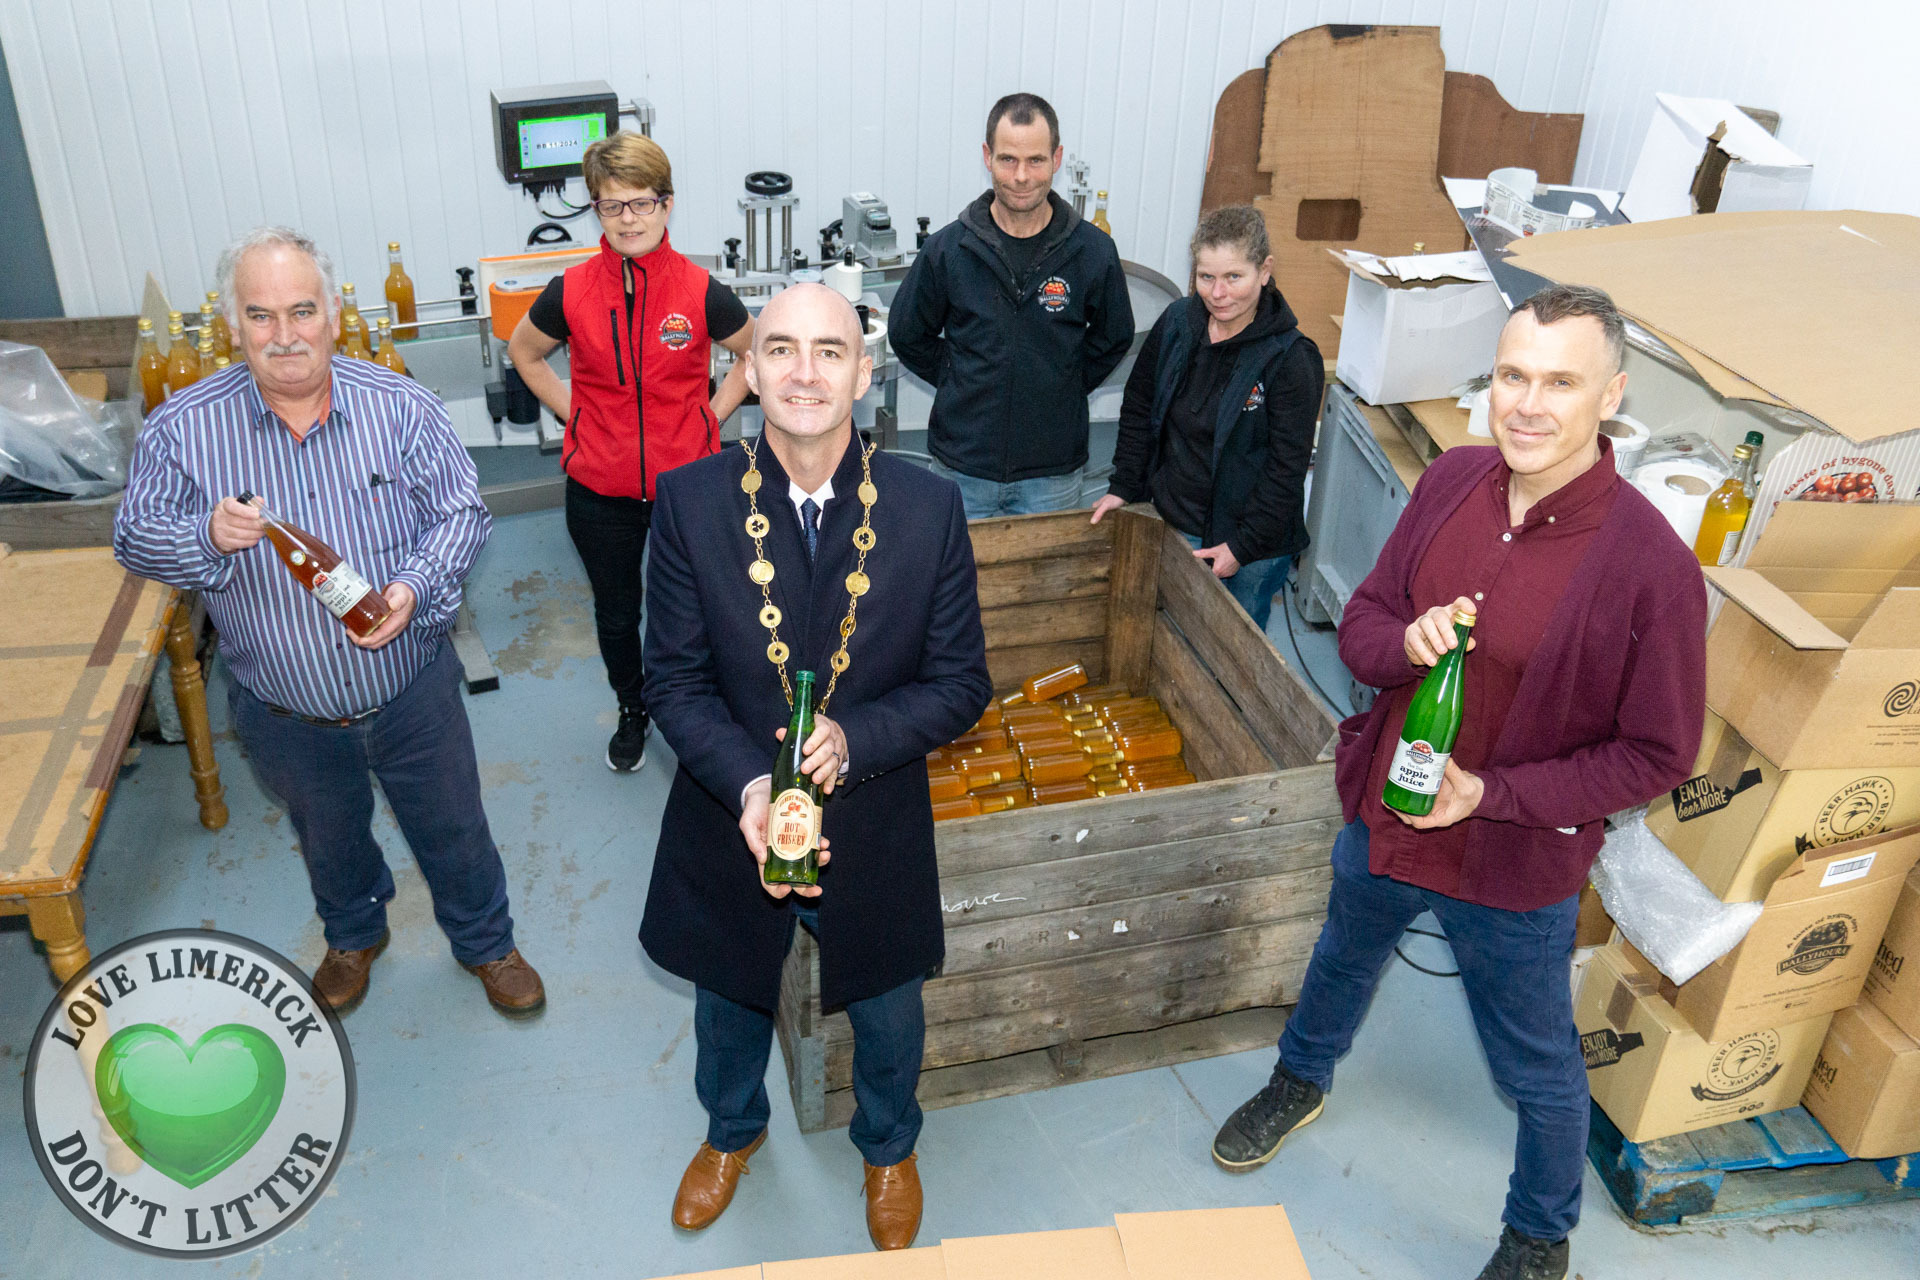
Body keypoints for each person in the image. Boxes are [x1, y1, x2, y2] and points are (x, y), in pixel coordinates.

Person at [1207, 285, 1706, 1280]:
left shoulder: (1651, 565)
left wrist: (1495, 795)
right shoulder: (1451, 482)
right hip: (1390, 814)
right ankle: (1298, 1079)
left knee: (1536, 1064)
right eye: (1511, 375)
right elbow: (1361, 626)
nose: (1526, 402)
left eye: (1559, 381)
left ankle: (1538, 1231)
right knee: (1342, 958)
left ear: (1611, 393)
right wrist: (1404, 639)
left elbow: (1658, 754)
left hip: (1514, 859)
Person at [638, 284, 991, 1251]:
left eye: (829, 352)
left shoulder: (927, 507)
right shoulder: (689, 503)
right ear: (747, 373)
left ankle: (888, 1146)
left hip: (872, 811)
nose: (804, 372)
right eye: (780, 350)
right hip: (732, 805)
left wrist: (859, 737)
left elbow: (963, 684)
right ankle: (729, 1134)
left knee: (885, 1007)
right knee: (728, 996)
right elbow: (671, 681)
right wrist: (752, 783)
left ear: (864, 376)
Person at [114, 227, 544, 1019]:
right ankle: (353, 933)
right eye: (261, 315)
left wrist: (415, 587)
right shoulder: (182, 427)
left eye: (301, 310)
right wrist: (203, 535)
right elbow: (132, 537)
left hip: (411, 689)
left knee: (453, 825)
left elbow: (462, 513)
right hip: (286, 712)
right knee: (328, 835)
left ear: (335, 313)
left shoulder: (401, 406)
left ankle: (486, 940)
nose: (285, 336)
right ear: (231, 327)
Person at [507, 131, 755, 773]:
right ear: (596, 211)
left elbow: (754, 354)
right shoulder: (572, 290)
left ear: (667, 205)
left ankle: (698, 708)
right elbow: (525, 354)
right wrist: (576, 416)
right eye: (613, 206)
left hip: (687, 486)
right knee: (618, 613)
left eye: (642, 203)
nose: (629, 219)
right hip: (599, 491)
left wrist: (711, 418)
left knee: (698, 607)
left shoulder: (700, 290)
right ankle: (631, 708)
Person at [890, 92, 1134, 518]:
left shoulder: (1093, 252)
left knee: (1044, 585)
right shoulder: (949, 249)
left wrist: (1064, 383)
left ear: (1057, 158)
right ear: (987, 156)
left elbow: (1115, 337)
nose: (1021, 176)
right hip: (963, 469)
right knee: (955, 584)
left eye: (1036, 160)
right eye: (1008, 160)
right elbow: (907, 333)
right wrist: (957, 377)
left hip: (1052, 475)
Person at [1090, 205, 1322, 631]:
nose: (1218, 293)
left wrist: (1241, 545)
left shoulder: (1291, 359)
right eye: (1206, 277)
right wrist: (1125, 485)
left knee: (1233, 650)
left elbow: (1286, 468)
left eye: (1234, 277)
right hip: (1177, 520)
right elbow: (1140, 407)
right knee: (1173, 639)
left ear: (1265, 270)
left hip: (1250, 544)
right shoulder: (1178, 322)